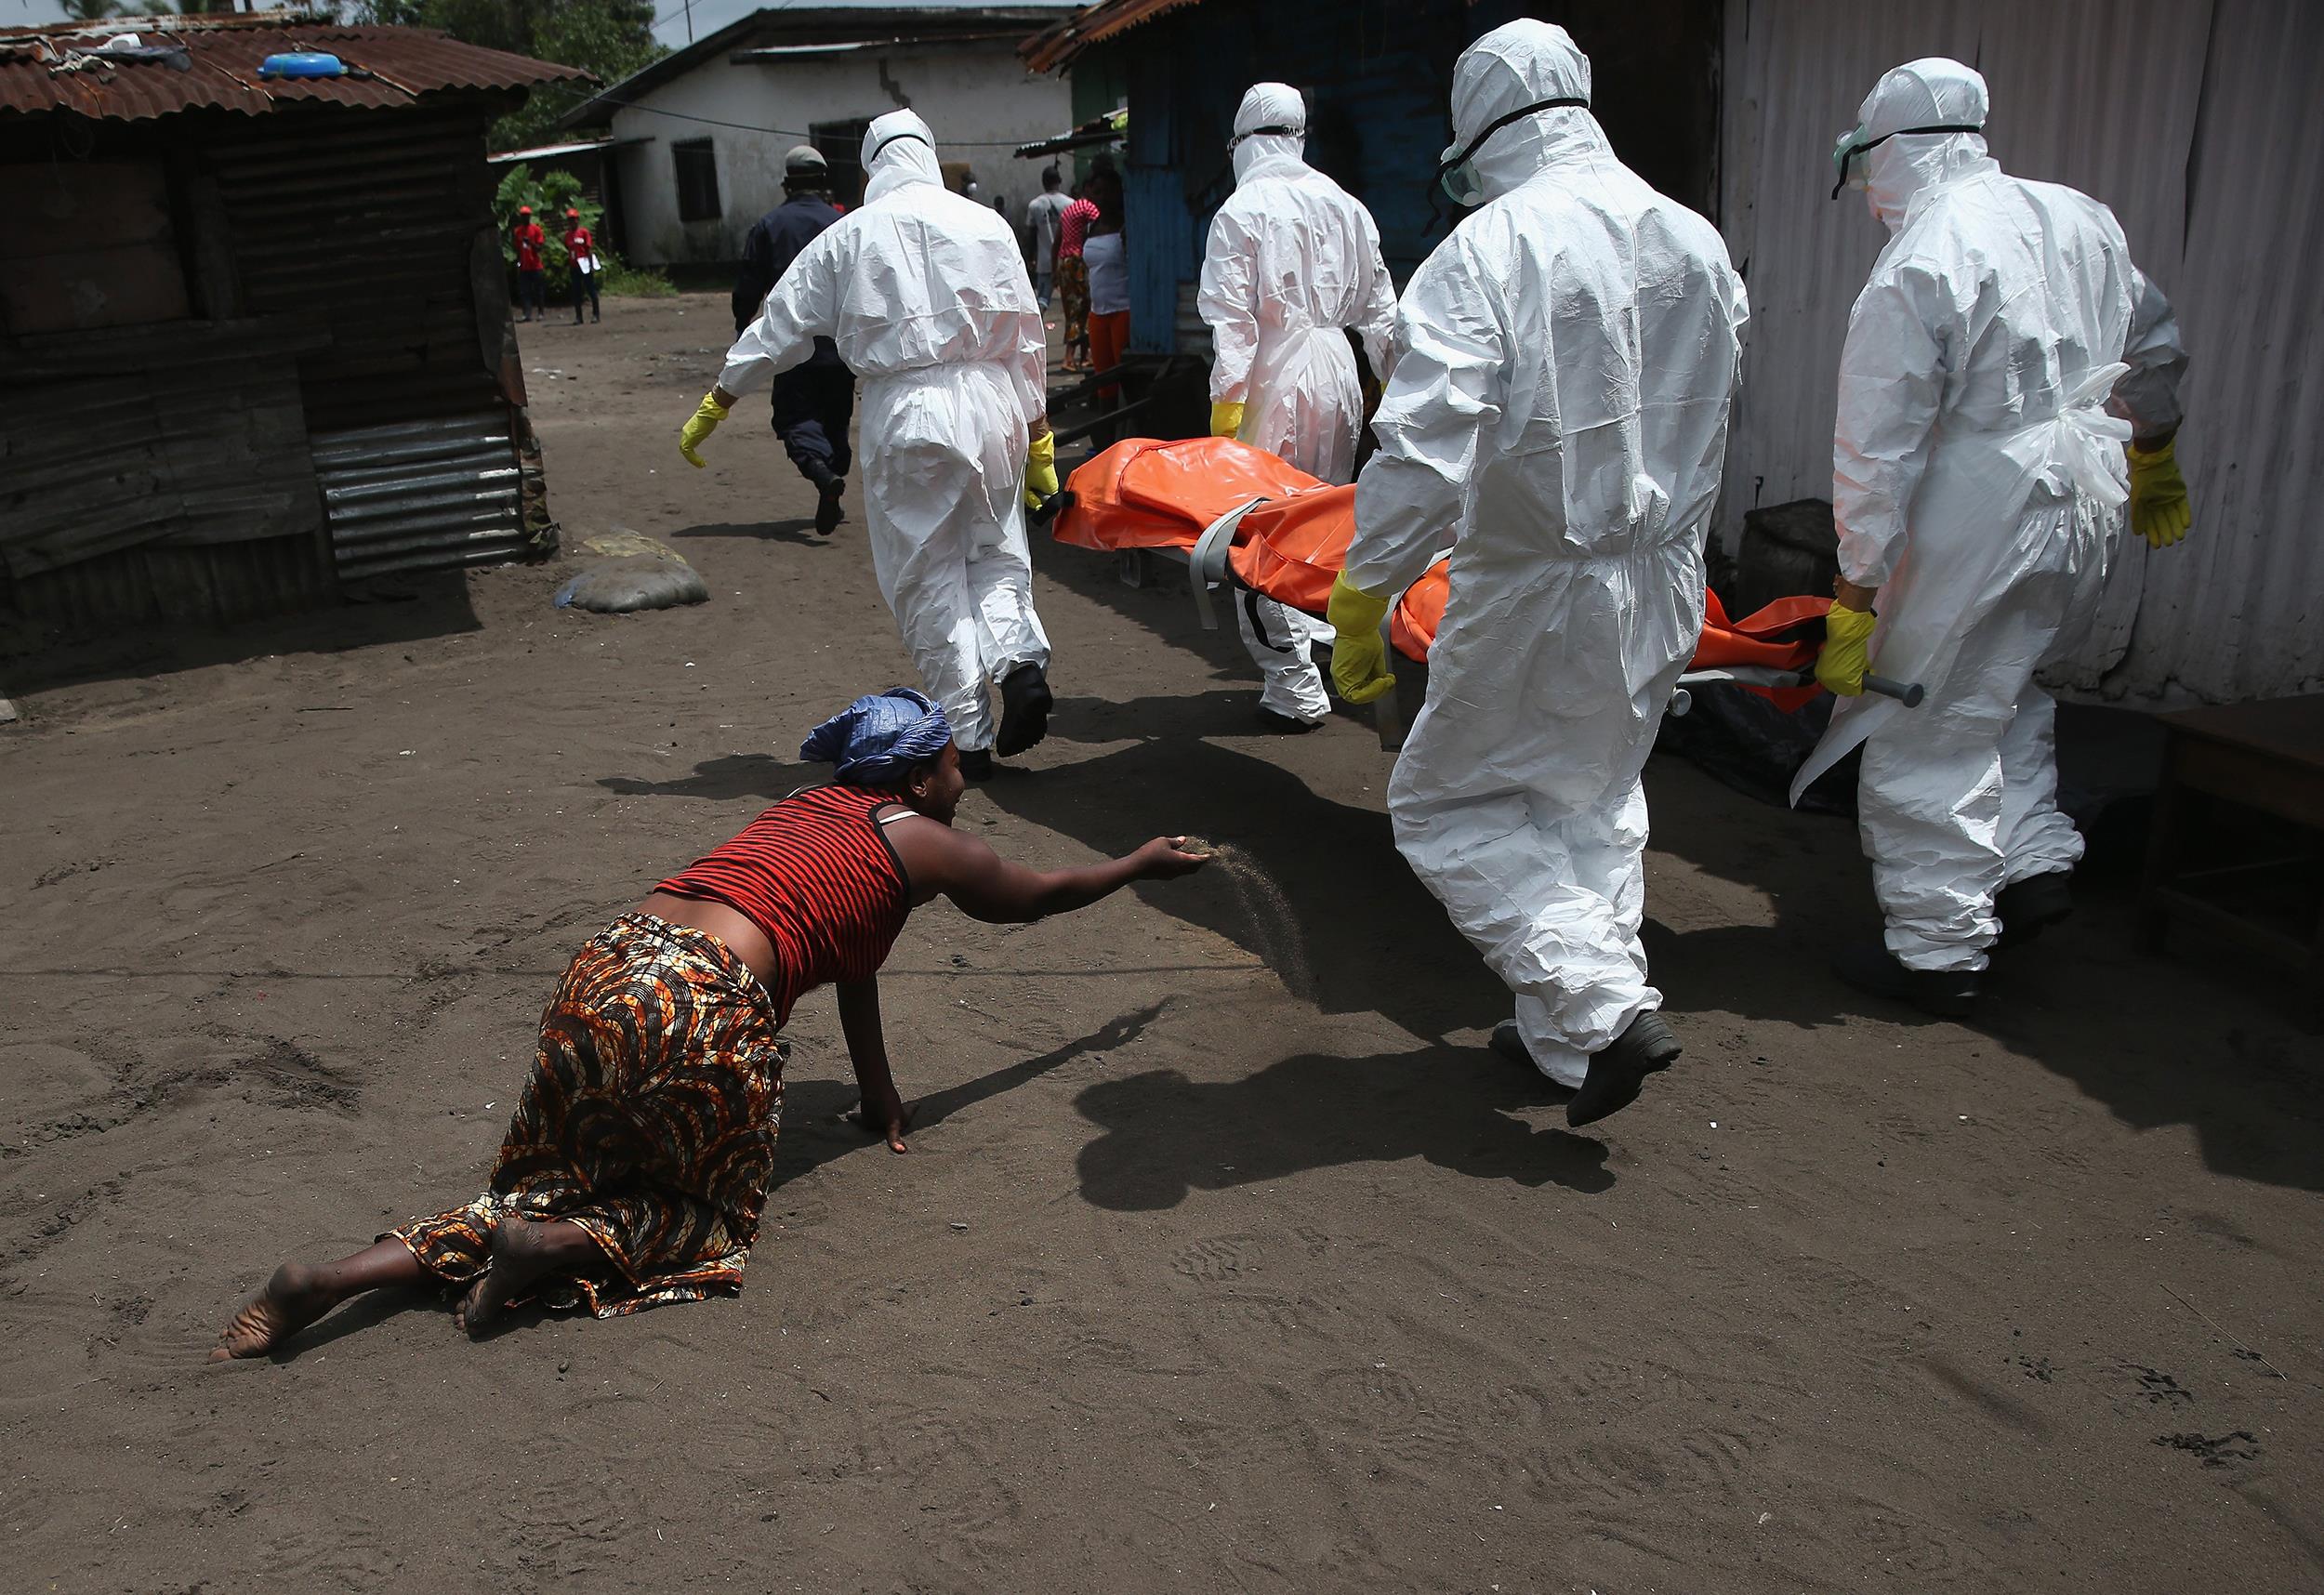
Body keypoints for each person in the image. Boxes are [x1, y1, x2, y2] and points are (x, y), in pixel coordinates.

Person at [211, 689, 1209, 1361]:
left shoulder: (807, 810)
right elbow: (1032, 898)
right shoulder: (926, 842)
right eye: (953, 761)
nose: (962, 776)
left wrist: (878, 1094)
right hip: (700, 1000)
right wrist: (1134, 864)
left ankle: (330, 1277)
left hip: (610, 963)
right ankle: (547, 1250)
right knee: (702, 1220)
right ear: (915, 780)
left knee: (539, 1177)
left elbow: (850, 959)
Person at [1328, 20, 1749, 1127]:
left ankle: (1602, 1006)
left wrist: (1367, 589)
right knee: (1591, 797)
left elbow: (1425, 452)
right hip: (1659, 574)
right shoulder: (1694, 238)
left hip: (1536, 579)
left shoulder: (1490, 248)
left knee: (1443, 804)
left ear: (1474, 129)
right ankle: (1570, 1047)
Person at [1797, 58, 2190, 1016]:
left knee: (1918, 722)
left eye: (1862, 169)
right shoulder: (2074, 214)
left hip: (1982, 509)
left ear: (1887, 151)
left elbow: (1878, 445)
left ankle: (1938, 952)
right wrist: (2155, 448)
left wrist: (1855, 589)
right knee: (1998, 688)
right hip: (2084, 489)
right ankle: (2034, 862)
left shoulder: (1926, 251)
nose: (1864, 194)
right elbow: (2156, 342)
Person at [679, 112, 1062, 781]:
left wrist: (722, 395)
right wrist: (1040, 438)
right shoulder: (986, 224)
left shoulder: (847, 236)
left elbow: (780, 323)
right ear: (929, 156)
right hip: (993, 401)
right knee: (996, 551)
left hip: (908, 410)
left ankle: (968, 740)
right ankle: (1020, 663)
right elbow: (1026, 336)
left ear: (870, 168)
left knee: (928, 573)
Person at [1199, 81, 1398, 732]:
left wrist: (1226, 409)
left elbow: (1234, 325)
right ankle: (1321, 655)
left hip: (1272, 375)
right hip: (1337, 369)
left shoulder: (1242, 210)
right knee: (1321, 517)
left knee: (1256, 529)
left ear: (1242, 142)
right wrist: (1393, 388)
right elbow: (1382, 313)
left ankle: (1292, 683)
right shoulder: (1347, 205)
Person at [733, 146, 854, 536]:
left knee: (794, 418)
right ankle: (832, 475)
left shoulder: (768, 226)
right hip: (841, 347)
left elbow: (748, 285)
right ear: (824, 181)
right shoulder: (844, 225)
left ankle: (822, 475)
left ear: (786, 183)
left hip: (792, 348)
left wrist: (743, 328)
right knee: (836, 421)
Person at [1080, 164, 1129, 406]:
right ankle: (1106, 440)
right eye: (1098, 191)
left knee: (1125, 382)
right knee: (1104, 384)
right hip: (1097, 314)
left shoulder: (1126, 228)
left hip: (1123, 311)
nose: (1103, 197)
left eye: (1108, 191)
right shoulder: (1090, 229)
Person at [1054, 176, 1100, 373]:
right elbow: (1102, 223)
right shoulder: (1087, 207)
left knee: (1074, 308)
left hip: (1064, 262)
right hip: (1077, 262)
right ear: (1088, 188)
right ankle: (1070, 357)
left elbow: (1057, 240)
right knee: (1081, 308)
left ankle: (1084, 356)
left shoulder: (1068, 210)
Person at [1027, 165, 1070, 310]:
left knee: (1042, 299)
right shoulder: (1071, 204)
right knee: (1070, 300)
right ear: (1060, 181)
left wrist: (1030, 258)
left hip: (1044, 261)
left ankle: (1037, 328)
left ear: (1043, 182)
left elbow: (1031, 235)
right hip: (1066, 260)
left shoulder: (1035, 205)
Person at [562, 207, 601, 325]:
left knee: (590, 290)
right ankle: (579, 317)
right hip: (574, 266)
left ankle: (596, 315)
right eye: (570, 220)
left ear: (577, 220)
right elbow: (568, 250)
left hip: (585, 265)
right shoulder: (567, 235)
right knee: (576, 292)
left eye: (574, 219)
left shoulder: (584, 232)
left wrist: (591, 265)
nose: (572, 222)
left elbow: (589, 249)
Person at [511, 204, 547, 323]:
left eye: (526, 216)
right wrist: (518, 263)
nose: (524, 218)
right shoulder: (517, 231)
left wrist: (530, 243)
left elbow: (539, 248)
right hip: (524, 266)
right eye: (522, 216)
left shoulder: (536, 230)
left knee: (538, 290)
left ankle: (541, 312)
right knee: (525, 291)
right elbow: (517, 249)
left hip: (535, 265)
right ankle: (527, 313)